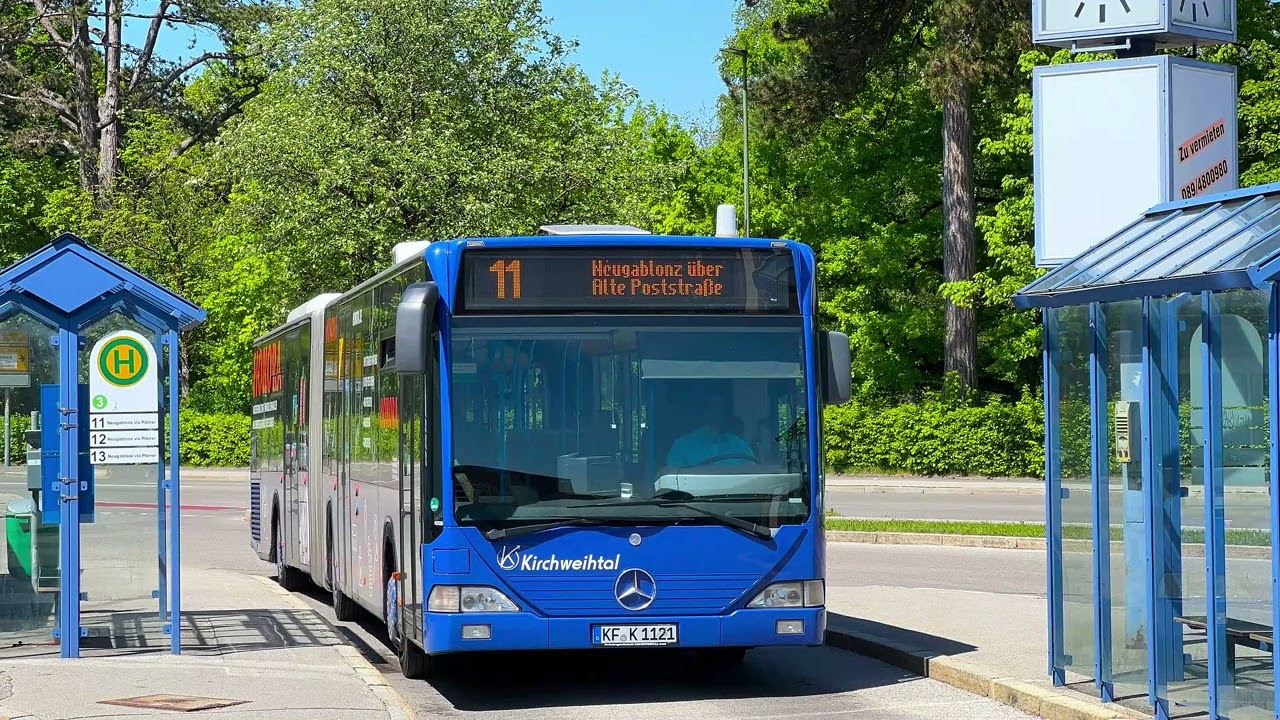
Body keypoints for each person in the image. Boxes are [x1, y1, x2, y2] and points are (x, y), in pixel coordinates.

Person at [665, 391, 755, 467]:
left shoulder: (739, 445)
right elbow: (673, 483)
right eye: (713, 410)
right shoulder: (682, 446)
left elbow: (752, 475)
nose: (717, 415)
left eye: (722, 410)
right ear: (703, 413)